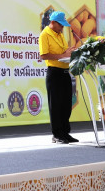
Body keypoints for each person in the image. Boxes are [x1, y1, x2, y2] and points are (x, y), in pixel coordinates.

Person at [39, 11, 78, 144]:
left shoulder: (60, 34)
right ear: (53, 23)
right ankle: (56, 134)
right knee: (55, 105)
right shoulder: (44, 35)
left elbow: (63, 53)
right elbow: (44, 55)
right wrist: (62, 56)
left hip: (65, 71)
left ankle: (65, 133)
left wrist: (69, 53)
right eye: (60, 25)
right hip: (54, 73)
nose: (62, 28)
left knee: (66, 104)